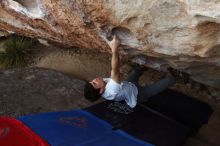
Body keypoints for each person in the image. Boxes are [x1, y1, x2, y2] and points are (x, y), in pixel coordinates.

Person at [84, 35, 176, 108]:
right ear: (101, 91)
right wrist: (114, 48)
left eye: (92, 81)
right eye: (95, 83)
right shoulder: (111, 90)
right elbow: (115, 70)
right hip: (138, 94)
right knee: (165, 83)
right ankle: (175, 76)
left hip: (129, 85)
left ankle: (142, 68)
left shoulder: (102, 85)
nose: (94, 80)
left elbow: (114, 74)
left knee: (135, 72)